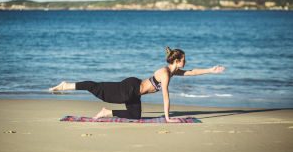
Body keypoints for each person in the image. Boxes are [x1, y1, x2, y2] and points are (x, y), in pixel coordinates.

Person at [49, 46, 225, 123]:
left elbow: (192, 72)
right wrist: (167, 117)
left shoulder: (173, 71)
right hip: (130, 89)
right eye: (184, 60)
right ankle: (66, 85)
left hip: (136, 93)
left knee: (135, 115)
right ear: (177, 61)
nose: (186, 62)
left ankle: (105, 112)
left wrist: (211, 69)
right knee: (98, 89)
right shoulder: (165, 73)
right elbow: (165, 95)